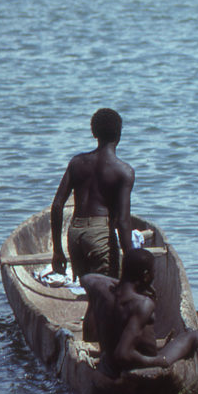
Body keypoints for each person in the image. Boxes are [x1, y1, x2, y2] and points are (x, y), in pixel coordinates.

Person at [81, 248, 198, 378]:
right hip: (136, 364)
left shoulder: (100, 288)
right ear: (146, 276)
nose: (153, 277)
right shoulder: (143, 304)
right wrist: (158, 361)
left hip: (109, 364)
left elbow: (86, 278)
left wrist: (122, 284)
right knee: (189, 335)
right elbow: (123, 353)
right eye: (153, 273)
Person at [51, 108, 135, 281]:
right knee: (108, 288)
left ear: (94, 133)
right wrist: (131, 259)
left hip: (75, 233)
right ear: (119, 134)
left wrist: (58, 251)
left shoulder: (76, 163)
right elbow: (123, 221)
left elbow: (57, 205)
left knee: (88, 289)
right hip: (100, 234)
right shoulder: (123, 171)